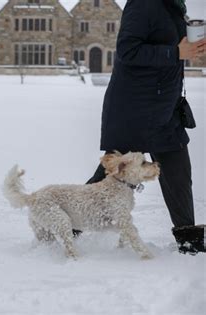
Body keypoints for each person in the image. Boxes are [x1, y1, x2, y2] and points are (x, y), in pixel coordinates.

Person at [86, 0, 206, 254]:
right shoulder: (143, 3)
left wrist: (190, 50)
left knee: (178, 174)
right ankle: (69, 225)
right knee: (109, 175)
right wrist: (176, 53)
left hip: (165, 108)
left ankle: (190, 242)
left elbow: (169, 48)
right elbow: (128, 50)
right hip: (135, 110)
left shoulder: (173, 6)